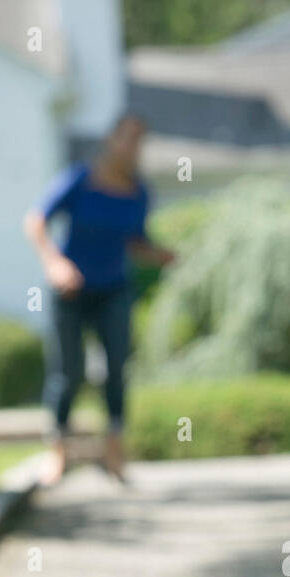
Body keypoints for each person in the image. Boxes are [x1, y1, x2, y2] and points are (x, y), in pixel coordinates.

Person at [23, 111, 175, 485]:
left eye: (140, 140)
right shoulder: (79, 180)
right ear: (112, 139)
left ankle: (114, 452)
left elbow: (135, 242)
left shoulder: (139, 192)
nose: (133, 146)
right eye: (128, 137)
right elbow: (36, 222)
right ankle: (58, 451)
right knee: (69, 371)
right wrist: (54, 264)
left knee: (116, 369)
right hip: (70, 289)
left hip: (114, 289)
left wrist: (163, 256)